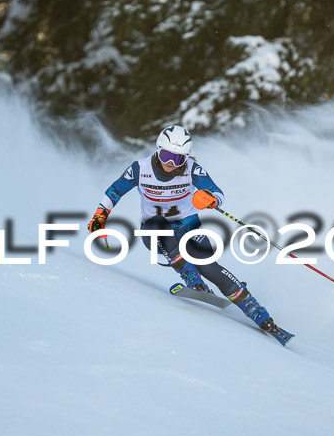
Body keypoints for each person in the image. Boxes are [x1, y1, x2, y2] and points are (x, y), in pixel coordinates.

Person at [88, 125, 278, 332]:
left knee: (210, 268)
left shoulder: (193, 169)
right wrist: (101, 214)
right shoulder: (140, 169)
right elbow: (114, 191)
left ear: (186, 158)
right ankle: (191, 277)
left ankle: (257, 312)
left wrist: (212, 199)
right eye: (166, 155)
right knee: (158, 224)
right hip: (155, 232)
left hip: (189, 227)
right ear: (158, 149)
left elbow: (217, 192)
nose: (170, 163)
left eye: (177, 158)